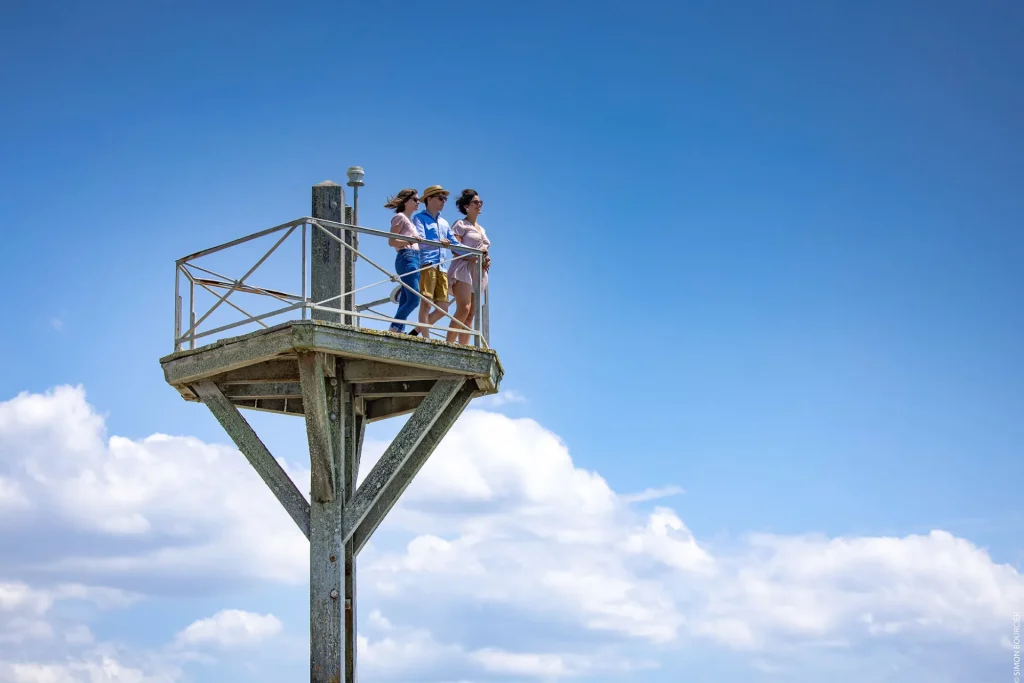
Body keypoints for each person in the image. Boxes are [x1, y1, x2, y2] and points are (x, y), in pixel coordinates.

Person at [412, 185, 461, 337]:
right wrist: (439, 242)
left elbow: (455, 244)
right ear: (429, 199)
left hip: (442, 267)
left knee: (443, 307)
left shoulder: (445, 222)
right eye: (440, 198)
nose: (444, 201)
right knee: (426, 302)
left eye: (445, 198)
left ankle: (416, 331)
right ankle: (426, 338)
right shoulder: (419, 218)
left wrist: (476, 253)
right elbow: (420, 241)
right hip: (428, 263)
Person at [446, 189, 491, 345]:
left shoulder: (482, 229)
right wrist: (473, 254)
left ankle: (464, 347)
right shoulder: (460, 224)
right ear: (467, 206)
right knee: (464, 308)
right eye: (475, 202)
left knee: (471, 313)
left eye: (480, 202)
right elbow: (455, 247)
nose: (479, 205)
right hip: (464, 268)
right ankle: (448, 346)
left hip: (478, 271)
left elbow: (484, 249)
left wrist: (486, 259)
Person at [383, 188, 423, 334]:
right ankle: (394, 329)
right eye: (415, 199)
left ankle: (400, 329)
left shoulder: (410, 221)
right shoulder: (400, 217)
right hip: (407, 257)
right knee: (414, 300)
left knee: (406, 299)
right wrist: (409, 239)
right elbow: (392, 241)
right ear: (406, 201)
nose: (418, 202)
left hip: (414, 258)